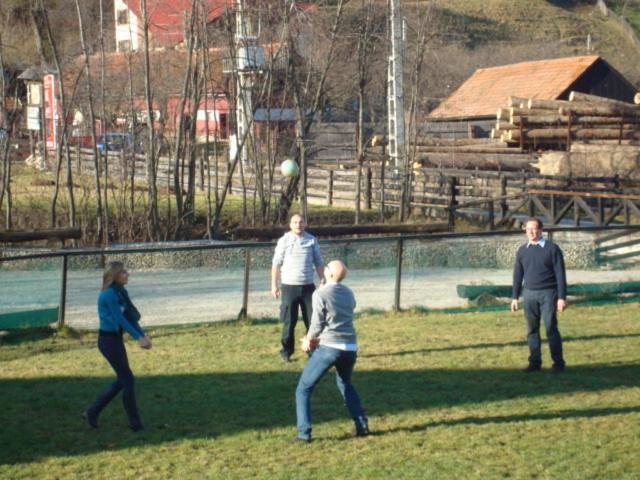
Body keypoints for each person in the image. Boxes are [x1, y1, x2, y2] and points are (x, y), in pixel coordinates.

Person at [294, 260, 369, 443]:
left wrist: (308, 340)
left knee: (303, 389)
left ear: (330, 274)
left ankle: (304, 434)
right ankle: (362, 426)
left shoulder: (320, 293)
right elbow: (341, 318)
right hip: (350, 347)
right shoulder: (349, 293)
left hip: (330, 348)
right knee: (345, 384)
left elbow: (317, 323)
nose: (323, 269)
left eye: (326, 267)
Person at [84, 261, 152, 431]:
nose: (127, 274)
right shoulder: (109, 295)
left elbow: (130, 317)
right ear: (114, 276)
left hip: (115, 340)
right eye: (123, 272)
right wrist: (138, 338)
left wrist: (142, 335)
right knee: (127, 380)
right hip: (107, 341)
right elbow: (119, 319)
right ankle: (135, 424)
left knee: (124, 379)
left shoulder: (120, 292)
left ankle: (93, 411)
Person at [511, 217, 567, 373]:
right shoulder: (522, 250)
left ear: (541, 230)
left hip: (548, 294)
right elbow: (517, 275)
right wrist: (515, 297)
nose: (531, 232)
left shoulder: (552, 249)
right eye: (528, 229)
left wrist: (561, 297)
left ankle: (558, 364)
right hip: (529, 294)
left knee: (551, 329)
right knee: (532, 330)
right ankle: (535, 363)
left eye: (534, 228)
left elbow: (560, 274)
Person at [271, 214, 324, 362]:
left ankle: (313, 351)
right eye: (295, 222)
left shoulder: (312, 240)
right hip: (289, 287)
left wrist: (323, 281)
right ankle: (286, 353)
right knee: (289, 322)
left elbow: (319, 262)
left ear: (305, 223)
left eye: (301, 222)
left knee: (313, 321)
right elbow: (276, 264)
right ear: (290, 224)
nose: (298, 225)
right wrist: (274, 285)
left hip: (308, 287)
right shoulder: (284, 241)